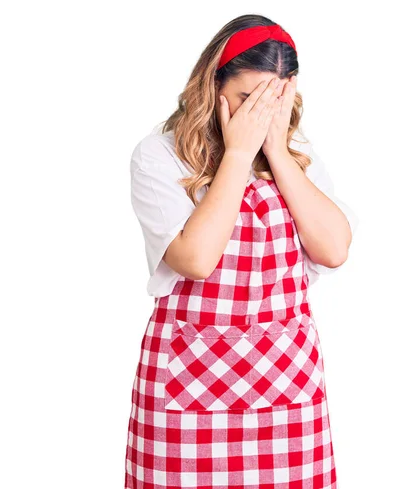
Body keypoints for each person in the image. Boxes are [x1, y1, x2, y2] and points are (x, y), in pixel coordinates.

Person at [125, 14, 359, 489]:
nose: (258, 115)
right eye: (246, 99)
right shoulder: (160, 155)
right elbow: (196, 258)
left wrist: (277, 153)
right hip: (188, 392)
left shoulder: (297, 154)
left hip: (286, 385)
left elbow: (334, 249)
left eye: (271, 100)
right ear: (214, 86)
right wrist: (236, 155)